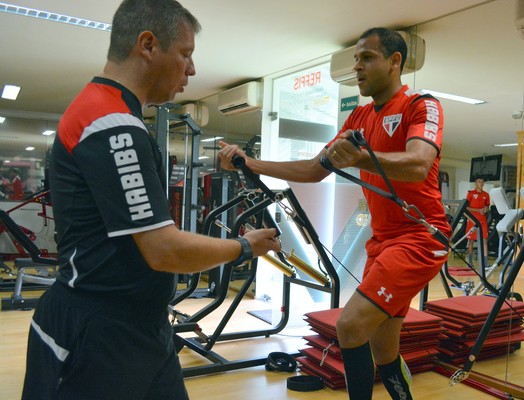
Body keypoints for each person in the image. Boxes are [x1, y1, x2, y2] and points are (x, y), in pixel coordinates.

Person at [21, 1, 280, 399]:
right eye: (186, 54)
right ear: (147, 45)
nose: (191, 70)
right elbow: (163, 251)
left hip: (142, 326)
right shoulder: (111, 123)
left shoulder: (112, 115)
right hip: (99, 333)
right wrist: (245, 246)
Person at [219, 27, 450, 400]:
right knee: (384, 351)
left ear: (395, 62)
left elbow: (420, 164)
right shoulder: (358, 118)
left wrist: (364, 158)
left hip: (421, 239)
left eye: (367, 58)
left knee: (350, 325)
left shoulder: (420, 104)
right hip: (383, 242)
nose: (357, 66)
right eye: (355, 59)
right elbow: (314, 169)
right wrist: (252, 163)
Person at [465, 176, 490, 267]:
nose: (481, 183)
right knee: (471, 240)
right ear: (475, 183)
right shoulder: (470, 194)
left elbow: (487, 207)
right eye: (479, 182)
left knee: (484, 240)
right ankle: (470, 261)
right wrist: (477, 210)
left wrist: (486, 210)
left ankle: (485, 262)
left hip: (482, 220)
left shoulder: (486, 195)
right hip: (472, 220)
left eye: (482, 182)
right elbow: (466, 207)